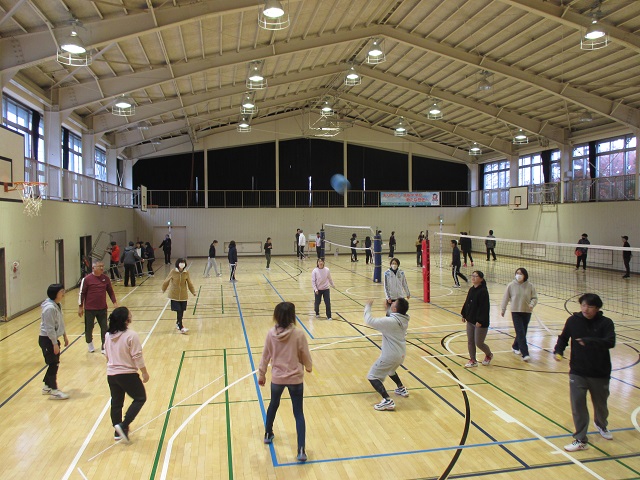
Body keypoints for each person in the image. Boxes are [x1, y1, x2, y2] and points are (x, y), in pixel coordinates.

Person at [553, 293, 616, 452]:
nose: (585, 309)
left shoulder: (606, 323)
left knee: (601, 405)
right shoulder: (573, 321)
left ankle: (601, 424)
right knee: (578, 405)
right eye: (583, 305)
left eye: (590, 306)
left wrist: (588, 341)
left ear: (597, 308)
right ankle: (581, 439)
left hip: (600, 372)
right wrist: (558, 350)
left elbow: (610, 342)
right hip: (578, 371)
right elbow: (563, 338)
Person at [258, 302, 312, 463]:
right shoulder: (298, 334)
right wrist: (308, 366)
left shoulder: (271, 334)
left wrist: (262, 374)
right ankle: (301, 450)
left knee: (273, 405)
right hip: (295, 379)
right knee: (298, 413)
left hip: (277, 378)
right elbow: (305, 354)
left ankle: (268, 433)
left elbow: (265, 356)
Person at [104, 306, 150, 443]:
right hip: (127, 374)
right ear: (126, 319)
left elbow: (106, 354)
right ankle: (123, 425)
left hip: (111, 374)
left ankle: (117, 432)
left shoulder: (108, 335)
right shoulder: (131, 335)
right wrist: (144, 372)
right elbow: (137, 356)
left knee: (116, 402)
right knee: (140, 398)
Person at [364, 298, 410, 411]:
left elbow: (369, 320)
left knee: (372, 376)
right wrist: (388, 309)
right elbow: (394, 317)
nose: (392, 302)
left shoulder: (390, 322)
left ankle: (387, 400)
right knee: (391, 370)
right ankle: (401, 388)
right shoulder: (403, 319)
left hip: (390, 355)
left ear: (395, 309)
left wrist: (368, 306)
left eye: (394, 303)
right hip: (401, 354)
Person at [78, 260, 118, 354]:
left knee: (105, 328)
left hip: (102, 308)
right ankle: (89, 343)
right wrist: (80, 306)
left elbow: (110, 291)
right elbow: (81, 293)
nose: (102, 268)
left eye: (102, 266)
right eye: (99, 266)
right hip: (90, 309)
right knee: (89, 327)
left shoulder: (106, 279)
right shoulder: (87, 279)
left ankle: (104, 346)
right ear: (93, 268)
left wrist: (114, 302)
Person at [500, 267, 538, 362]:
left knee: (523, 331)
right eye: (517, 273)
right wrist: (503, 309)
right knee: (520, 332)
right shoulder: (511, 285)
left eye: (521, 273)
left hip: (527, 312)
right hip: (516, 312)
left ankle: (515, 346)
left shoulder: (530, 286)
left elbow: (534, 298)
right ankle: (525, 354)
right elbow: (505, 298)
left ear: (525, 275)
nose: (518, 275)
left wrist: (532, 304)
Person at [39, 284, 70, 400]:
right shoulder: (49, 309)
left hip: (53, 339)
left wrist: (64, 336)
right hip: (47, 339)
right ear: (55, 293)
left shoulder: (57, 305)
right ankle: (54, 390)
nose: (63, 293)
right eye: (61, 291)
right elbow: (49, 328)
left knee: (55, 362)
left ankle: (47, 386)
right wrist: (54, 343)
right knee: (53, 364)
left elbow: (60, 322)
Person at [461, 270, 493, 367]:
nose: (473, 278)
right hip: (470, 320)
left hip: (480, 322)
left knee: (479, 343)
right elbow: (467, 303)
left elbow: (484, 308)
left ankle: (489, 354)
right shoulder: (471, 289)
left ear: (481, 279)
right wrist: (464, 314)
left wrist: (480, 320)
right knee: (470, 341)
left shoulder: (483, 292)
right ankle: (473, 360)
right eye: (472, 275)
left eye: (476, 276)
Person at [161, 258, 196, 334]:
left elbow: (189, 283)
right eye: (181, 263)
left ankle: (178, 323)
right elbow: (167, 280)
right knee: (179, 310)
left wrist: (193, 292)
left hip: (183, 295)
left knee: (182, 310)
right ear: (178, 264)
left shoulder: (186, 273)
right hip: (174, 295)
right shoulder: (173, 272)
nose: (182, 264)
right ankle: (181, 327)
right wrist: (163, 289)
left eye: (183, 263)